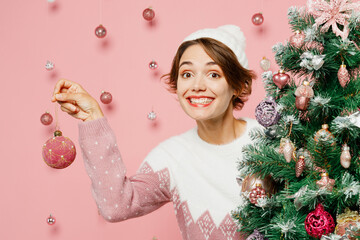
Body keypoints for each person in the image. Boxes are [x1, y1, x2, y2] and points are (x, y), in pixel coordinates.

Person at [51, 25, 261, 240]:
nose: (197, 85)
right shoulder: (171, 157)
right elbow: (116, 206)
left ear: (238, 86)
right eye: (187, 74)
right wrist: (92, 119)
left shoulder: (272, 139)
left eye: (214, 74)